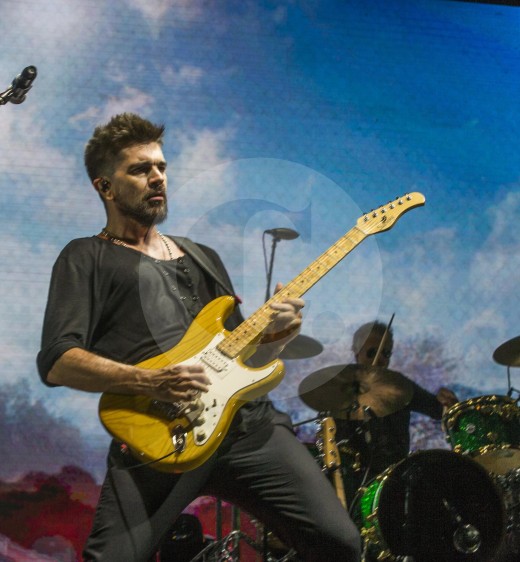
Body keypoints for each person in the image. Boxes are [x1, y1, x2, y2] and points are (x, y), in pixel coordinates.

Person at [37, 113, 361, 562]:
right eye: (139, 169)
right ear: (104, 187)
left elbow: (243, 354)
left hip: (249, 431)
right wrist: (150, 382)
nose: (156, 178)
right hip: (160, 434)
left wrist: (280, 334)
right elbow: (57, 360)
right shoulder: (85, 256)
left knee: (339, 543)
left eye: (161, 168)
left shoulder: (202, 255)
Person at [334, 320, 458, 499]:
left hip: (396, 482)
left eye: (386, 353)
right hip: (351, 487)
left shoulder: (399, 385)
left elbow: (437, 409)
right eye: (372, 352)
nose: (381, 358)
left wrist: (446, 400)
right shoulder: (337, 389)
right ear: (356, 350)